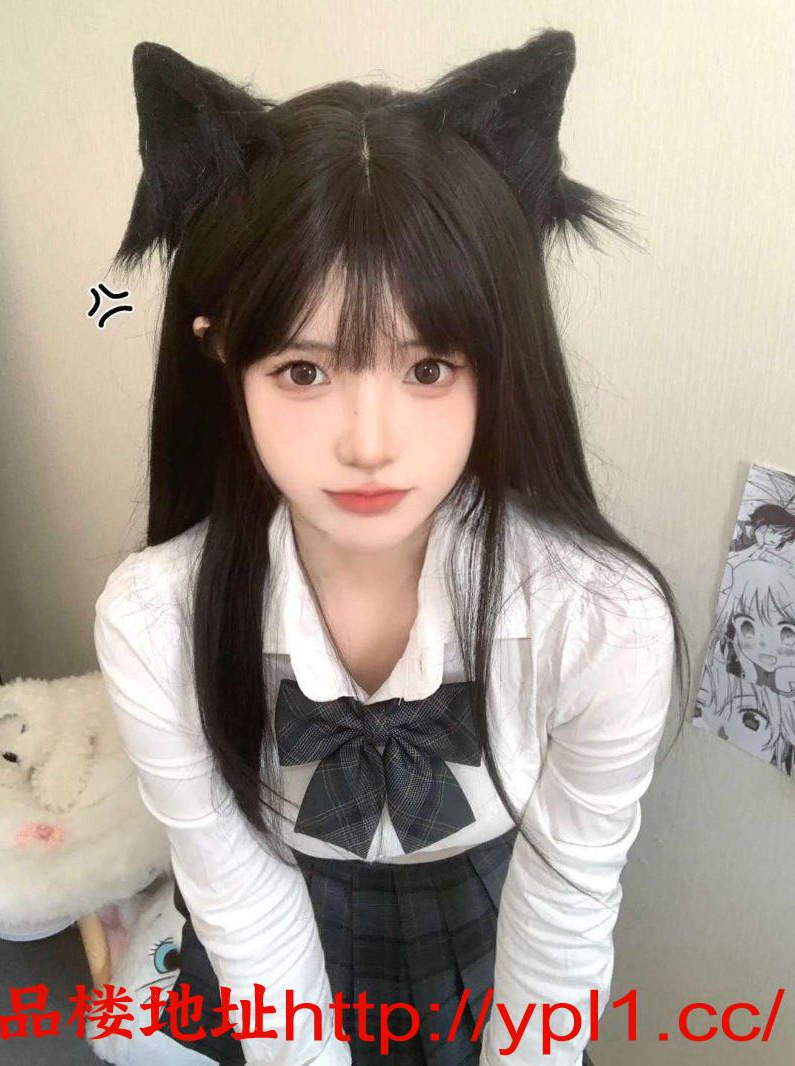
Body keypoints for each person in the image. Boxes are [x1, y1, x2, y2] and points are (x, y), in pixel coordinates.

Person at [93, 29, 689, 1066]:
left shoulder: (600, 621)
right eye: (304, 370)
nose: (369, 443)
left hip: (492, 949)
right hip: (266, 961)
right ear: (221, 352)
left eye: (427, 369)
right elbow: (236, 889)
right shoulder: (154, 619)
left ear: (497, 358)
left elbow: (565, 897)